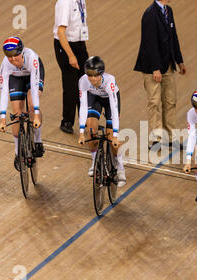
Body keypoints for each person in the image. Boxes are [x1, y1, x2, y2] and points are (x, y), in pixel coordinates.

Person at [133, 0, 186, 150]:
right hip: (153, 67)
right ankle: (156, 139)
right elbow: (149, 43)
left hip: (168, 64)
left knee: (170, 101)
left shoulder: (168, 10)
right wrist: (155, 68)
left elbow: (173, 37)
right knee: (154, 102)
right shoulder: (150, 14)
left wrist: (179, 61)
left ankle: (170, 138)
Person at [77, 56, 126, 187]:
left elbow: (114, 110)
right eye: (89, 75)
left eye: (95, 75)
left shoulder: (110, 81)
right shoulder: (83, 81)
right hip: (94, 99)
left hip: (110, 103)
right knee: (90, 131)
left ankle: (120, 168)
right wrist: (81, 132)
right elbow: (82, 107)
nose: (92, 78)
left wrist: (115, 135)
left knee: (112, 141)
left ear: (101, 73)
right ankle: (94, 162)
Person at [0, 36, 45, 171]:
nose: (12, 59)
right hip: (16, 78)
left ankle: (38, 140)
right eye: (8, 56)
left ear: (22, 51)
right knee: (17, 114)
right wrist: (2, 119)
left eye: (15, 55)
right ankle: (18, 153)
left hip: (32, 75)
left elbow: (35, 90)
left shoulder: (32, 58)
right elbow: (4, 93)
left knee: (31, 104)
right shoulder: (5, 65)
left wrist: (35, 114)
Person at [54, 0, 90, 134]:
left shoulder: (81, 1)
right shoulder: (65, 3)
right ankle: (67, 121)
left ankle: (86, 120)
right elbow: (60, 32)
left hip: (79, 44)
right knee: (71, 85)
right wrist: (71, 55)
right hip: (66, 45)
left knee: (86, 82)